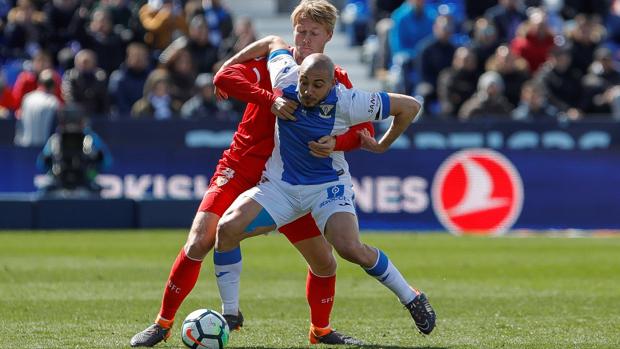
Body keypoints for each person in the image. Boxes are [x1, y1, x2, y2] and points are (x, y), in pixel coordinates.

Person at [130, 1, 373, 346]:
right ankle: (163, 323)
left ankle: (321, 331)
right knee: (201, 239)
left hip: (291, 181)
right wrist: (268, 98)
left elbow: (365, 134)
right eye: (299, 31)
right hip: (242, 167)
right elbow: (224, 77)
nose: (303, 38)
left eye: (312, 32)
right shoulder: (273, 64)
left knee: (325, 262)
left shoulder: (337, 81)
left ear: (329, 36)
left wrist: (335, 142)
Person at [214, 39, 436, 341]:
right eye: (304, 82)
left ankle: (411, 297)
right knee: (226, 230)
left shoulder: (349, 102)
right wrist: (269, 99)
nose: (307, 91)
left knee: (348, 248)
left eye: (317, 85)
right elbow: (273, 45)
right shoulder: (284, 78)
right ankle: (230, 313)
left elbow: (410, 106)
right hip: (281, 187)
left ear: (332, 84)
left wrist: (382, 145)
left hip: (327, 187)